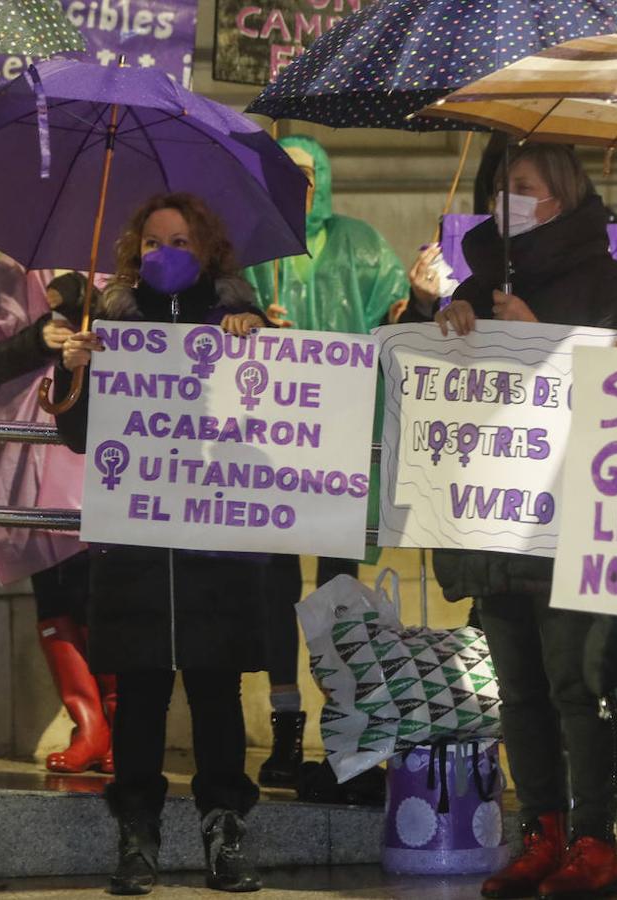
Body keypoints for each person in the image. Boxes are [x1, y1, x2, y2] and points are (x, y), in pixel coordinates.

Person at [404, 143, 617, 900]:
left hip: (568, 529)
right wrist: (435, 315)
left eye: (526, 187)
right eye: (502, 186)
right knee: (520, 692)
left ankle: (596, 836)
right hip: (491, 527)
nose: (509, 198)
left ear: (563, 197)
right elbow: (426, 383)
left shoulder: (609, 284)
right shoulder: (478, 278)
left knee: (578, 687)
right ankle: (543, 830)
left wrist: (540, 334)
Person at [55, 192, 269, 895]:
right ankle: (137, 836)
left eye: (178, 239)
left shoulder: (244, 321)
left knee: (215, 691)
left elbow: (276, 416)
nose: (163, 252)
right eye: (151, 241)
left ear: (207, 248)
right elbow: (78, 434)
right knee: (140, 697)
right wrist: (77, 369)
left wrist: (261, 340)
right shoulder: (110, 325)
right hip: (136, 548)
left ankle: (224, 832)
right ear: (132, 250)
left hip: (216, 548)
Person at [243, 135, 410, 789]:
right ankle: (286, 727)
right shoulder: (254, 252)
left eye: (307, 174)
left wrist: (416, 302)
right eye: (283, 174)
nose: (297, 185)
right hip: (270, 449)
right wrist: (249, 319)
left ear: (328, 179)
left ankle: (349, 726)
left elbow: (397, 320)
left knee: (340, 591)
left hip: (343, 442)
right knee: (272, 588)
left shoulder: (360, 244)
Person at [0, 265, 116, 774]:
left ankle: (119, 725)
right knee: (53, 592)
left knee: (103, 592)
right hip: (29, 459)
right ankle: (90, 725)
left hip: (101, 461)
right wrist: (36, 340)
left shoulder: (127, 269)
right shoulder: (12, 274)